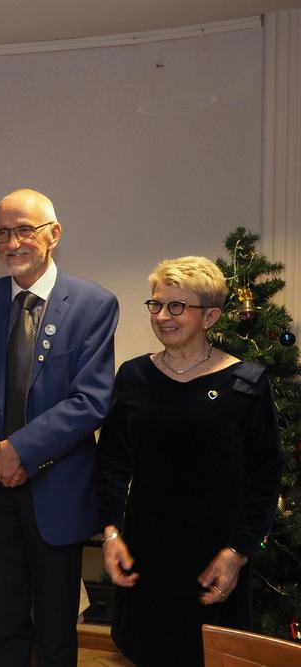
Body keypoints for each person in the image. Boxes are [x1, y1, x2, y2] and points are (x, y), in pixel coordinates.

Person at [0, 188, 119, 666]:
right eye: (2, 233)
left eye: (24, 230)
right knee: (1, 629)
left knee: (57, 635)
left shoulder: (93, 304)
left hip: (55, 490)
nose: (12, 243)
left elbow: (91, 400)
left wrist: (18, 451)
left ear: (53, 234)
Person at [97, 256, 283, 667]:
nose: (163, 316)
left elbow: (265, 477)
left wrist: (237, 552)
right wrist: (111, 534)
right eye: (157, 304)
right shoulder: (133, 377)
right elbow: (112, 461)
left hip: (215, 561)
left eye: (177, 306)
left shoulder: (246, 383)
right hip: (144, 557)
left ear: (210, 316)